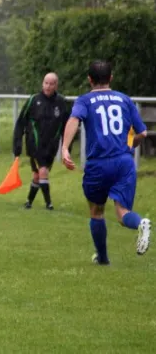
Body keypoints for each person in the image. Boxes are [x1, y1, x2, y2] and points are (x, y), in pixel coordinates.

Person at [62, 60, 151, 265]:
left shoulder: (84, 101)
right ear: (111, 78)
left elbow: (74, 120)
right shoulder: (124, 99)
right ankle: (140, 223)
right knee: (122, 213)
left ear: (89, 79)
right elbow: (143, 133)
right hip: (124, 162)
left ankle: (102, 258)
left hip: (98, 164)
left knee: (97, 211)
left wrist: (65, 148)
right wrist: (130, 147)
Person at [12, 72, 70, 210]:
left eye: (51, 84)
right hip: (34, 144)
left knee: (38, 175)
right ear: (42, 83)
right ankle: (49, 204)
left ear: (56, 85)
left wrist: (67, 148)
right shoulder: (34, 100)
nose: (48, 86)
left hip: (51, 145)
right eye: (46, 83)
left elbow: (67, 126)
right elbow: (20, 123)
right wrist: (17, 145)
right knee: (43, 170)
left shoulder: (61, 102)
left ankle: (29, 202)